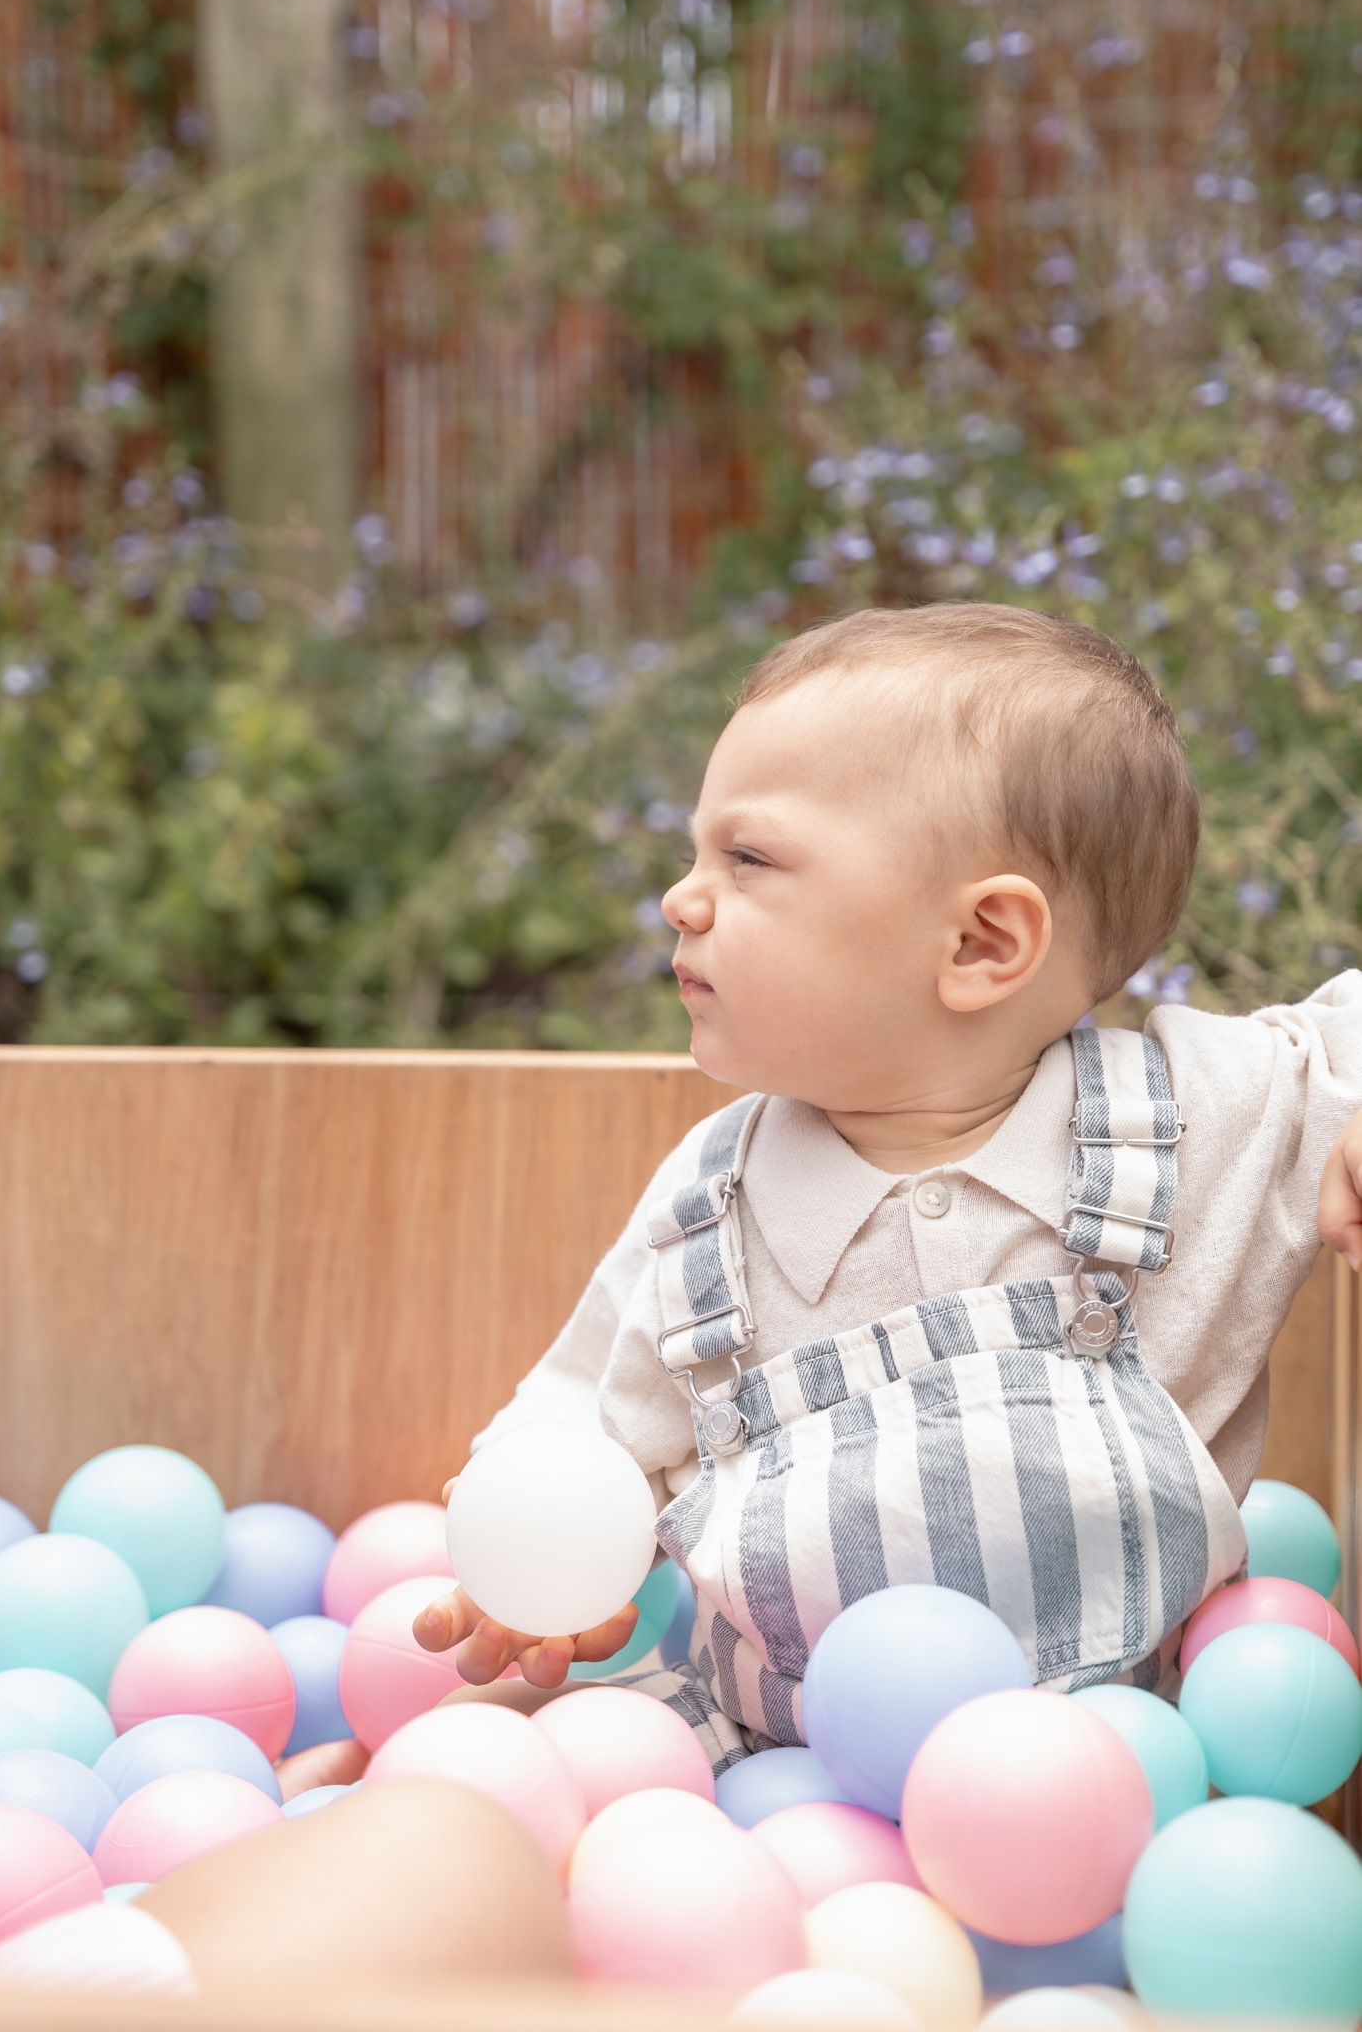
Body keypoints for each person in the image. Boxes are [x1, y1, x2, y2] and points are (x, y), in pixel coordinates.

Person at [413, 603, 1362, 1770]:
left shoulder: (1202, 1117)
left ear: (980, 944)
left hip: (1109, 1775)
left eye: (748, 857)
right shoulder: (715, 1201)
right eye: (695, 851)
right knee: (465, 1763)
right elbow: (580, 1418)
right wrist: (529, 1567)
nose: (681, 897)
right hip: (778, 1758)